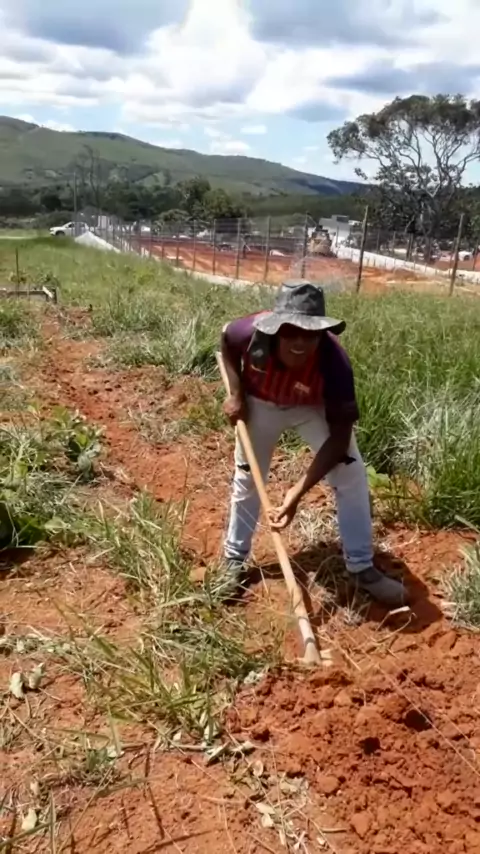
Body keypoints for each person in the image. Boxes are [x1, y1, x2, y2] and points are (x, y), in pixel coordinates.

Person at [219, 279, 407, 607]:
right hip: (261, 403)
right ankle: (234, 560)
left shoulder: (335, 363)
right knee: (248, 477)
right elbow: (225, 341)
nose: (300, 342)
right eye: (291, 332)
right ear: (276, 328)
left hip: (312, 407)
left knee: (351, 474)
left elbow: (339, 438)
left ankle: (361, 567)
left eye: (310, 334)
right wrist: (236, 394)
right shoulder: (247, 333)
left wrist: (296, 492)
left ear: (322, 332)